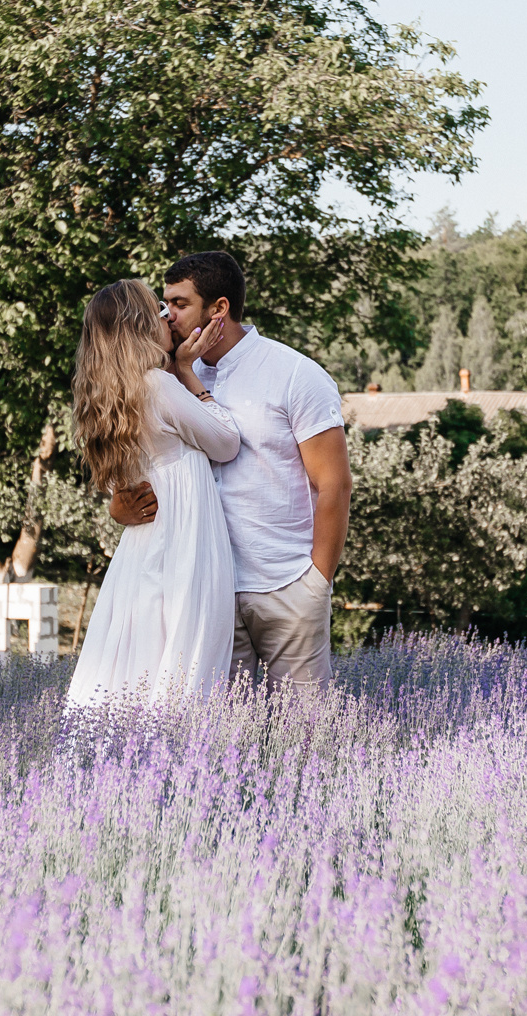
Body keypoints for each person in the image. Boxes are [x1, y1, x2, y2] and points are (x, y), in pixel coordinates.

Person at [110, 251, 351, 689]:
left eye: (180, 304)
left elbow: (333, 484)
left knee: (306, 735)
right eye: (164, 304)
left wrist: (317, 580)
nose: (167, 315)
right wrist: (120, 506)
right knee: (219, 740)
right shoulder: (167, 375)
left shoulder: (295, 374)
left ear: (219, 308)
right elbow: (143, 461)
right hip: (202, 590)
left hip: (285, 583)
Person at [65, 279, 239, 707]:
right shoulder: (159, 386)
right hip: (184, 539)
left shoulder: (107, 396)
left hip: (143, 545)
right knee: (185, 652)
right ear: (141, 326)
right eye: (160, 312)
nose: (170, 319)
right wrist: (186, 373)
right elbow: (226, 442)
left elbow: (116, 486)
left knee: (138, 654)